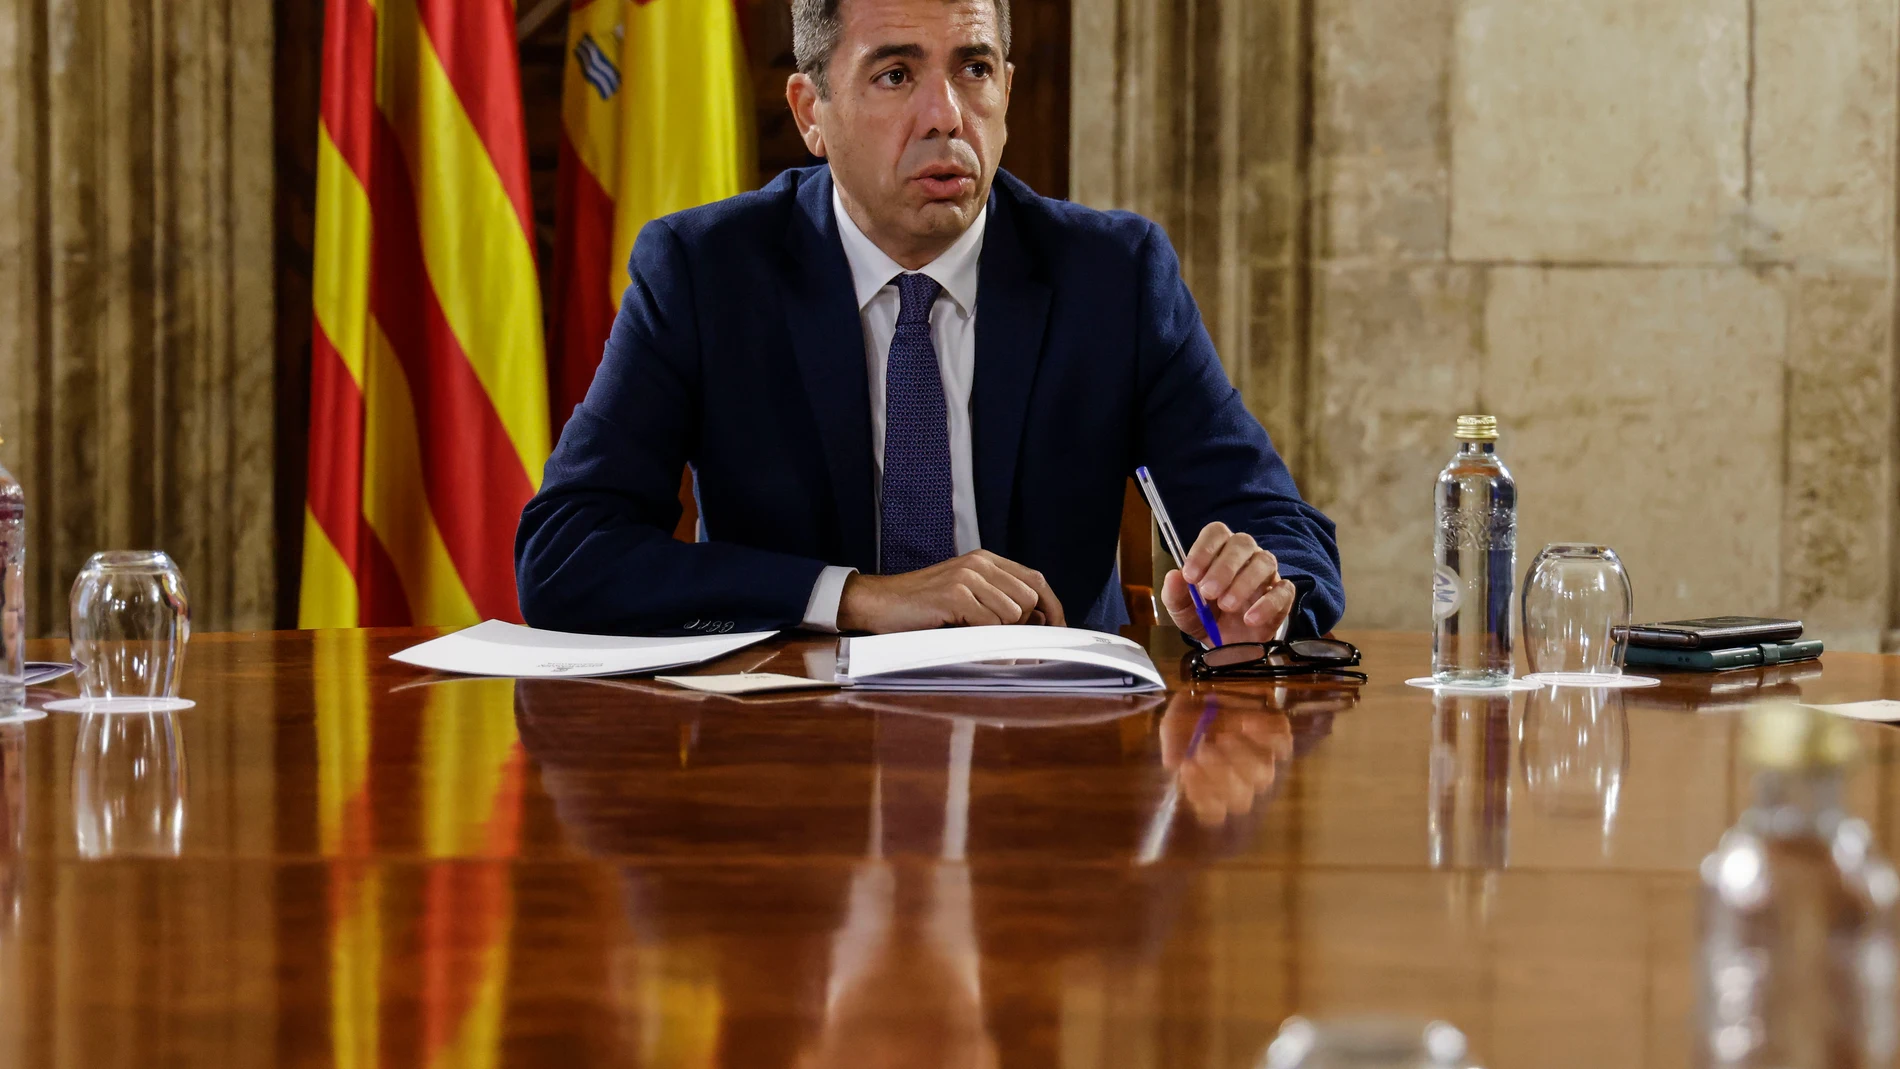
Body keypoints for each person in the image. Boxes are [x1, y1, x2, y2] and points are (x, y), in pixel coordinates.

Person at [515, 0, 1343, 641]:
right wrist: (855, 597)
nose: (945, 114)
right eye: (895, 75)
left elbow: (1284, 531)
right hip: (791, 755)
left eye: (973, 68)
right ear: (810, 111)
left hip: (1056, 751)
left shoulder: (1113, 275)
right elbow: (565, 552)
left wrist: (1261, 593)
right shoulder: (706, 272)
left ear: (1006, 90)